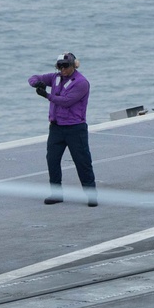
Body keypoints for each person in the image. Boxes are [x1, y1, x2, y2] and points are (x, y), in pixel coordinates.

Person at [29, 52, 97, 207]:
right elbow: (33, 77)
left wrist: (46, 95)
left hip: (75, 129)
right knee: (52, 160)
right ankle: (56, 193)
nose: (62, 69)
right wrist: (36, 83)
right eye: (59, 66)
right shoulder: (55, 77)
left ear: (74, 65)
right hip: (56, 128)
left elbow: (66, 102)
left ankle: (91, 194)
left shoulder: (81, 83)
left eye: (65, 66)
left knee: (82, 161)